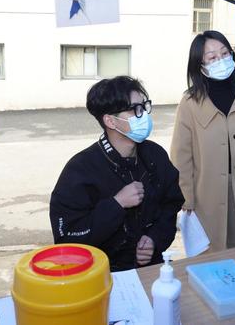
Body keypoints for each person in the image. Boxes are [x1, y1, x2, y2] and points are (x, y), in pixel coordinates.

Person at [50, 76, 184, 271]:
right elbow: (67, 240)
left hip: (151, 268)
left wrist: (154, 239)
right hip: (101, 274)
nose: (143, 115)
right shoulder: (80, 170)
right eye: (134, 109)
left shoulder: (154, 155)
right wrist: (116, 204)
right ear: (110, 121)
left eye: (144, 107)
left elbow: (171, 205)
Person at [171, 30, 235, 252]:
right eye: (212, 57)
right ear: (200, 66)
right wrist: (186, 197)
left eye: (225, 53)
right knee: (214, 258)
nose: (221, 60)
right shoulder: (190, 102)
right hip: (207, 195)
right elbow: (181, 154)